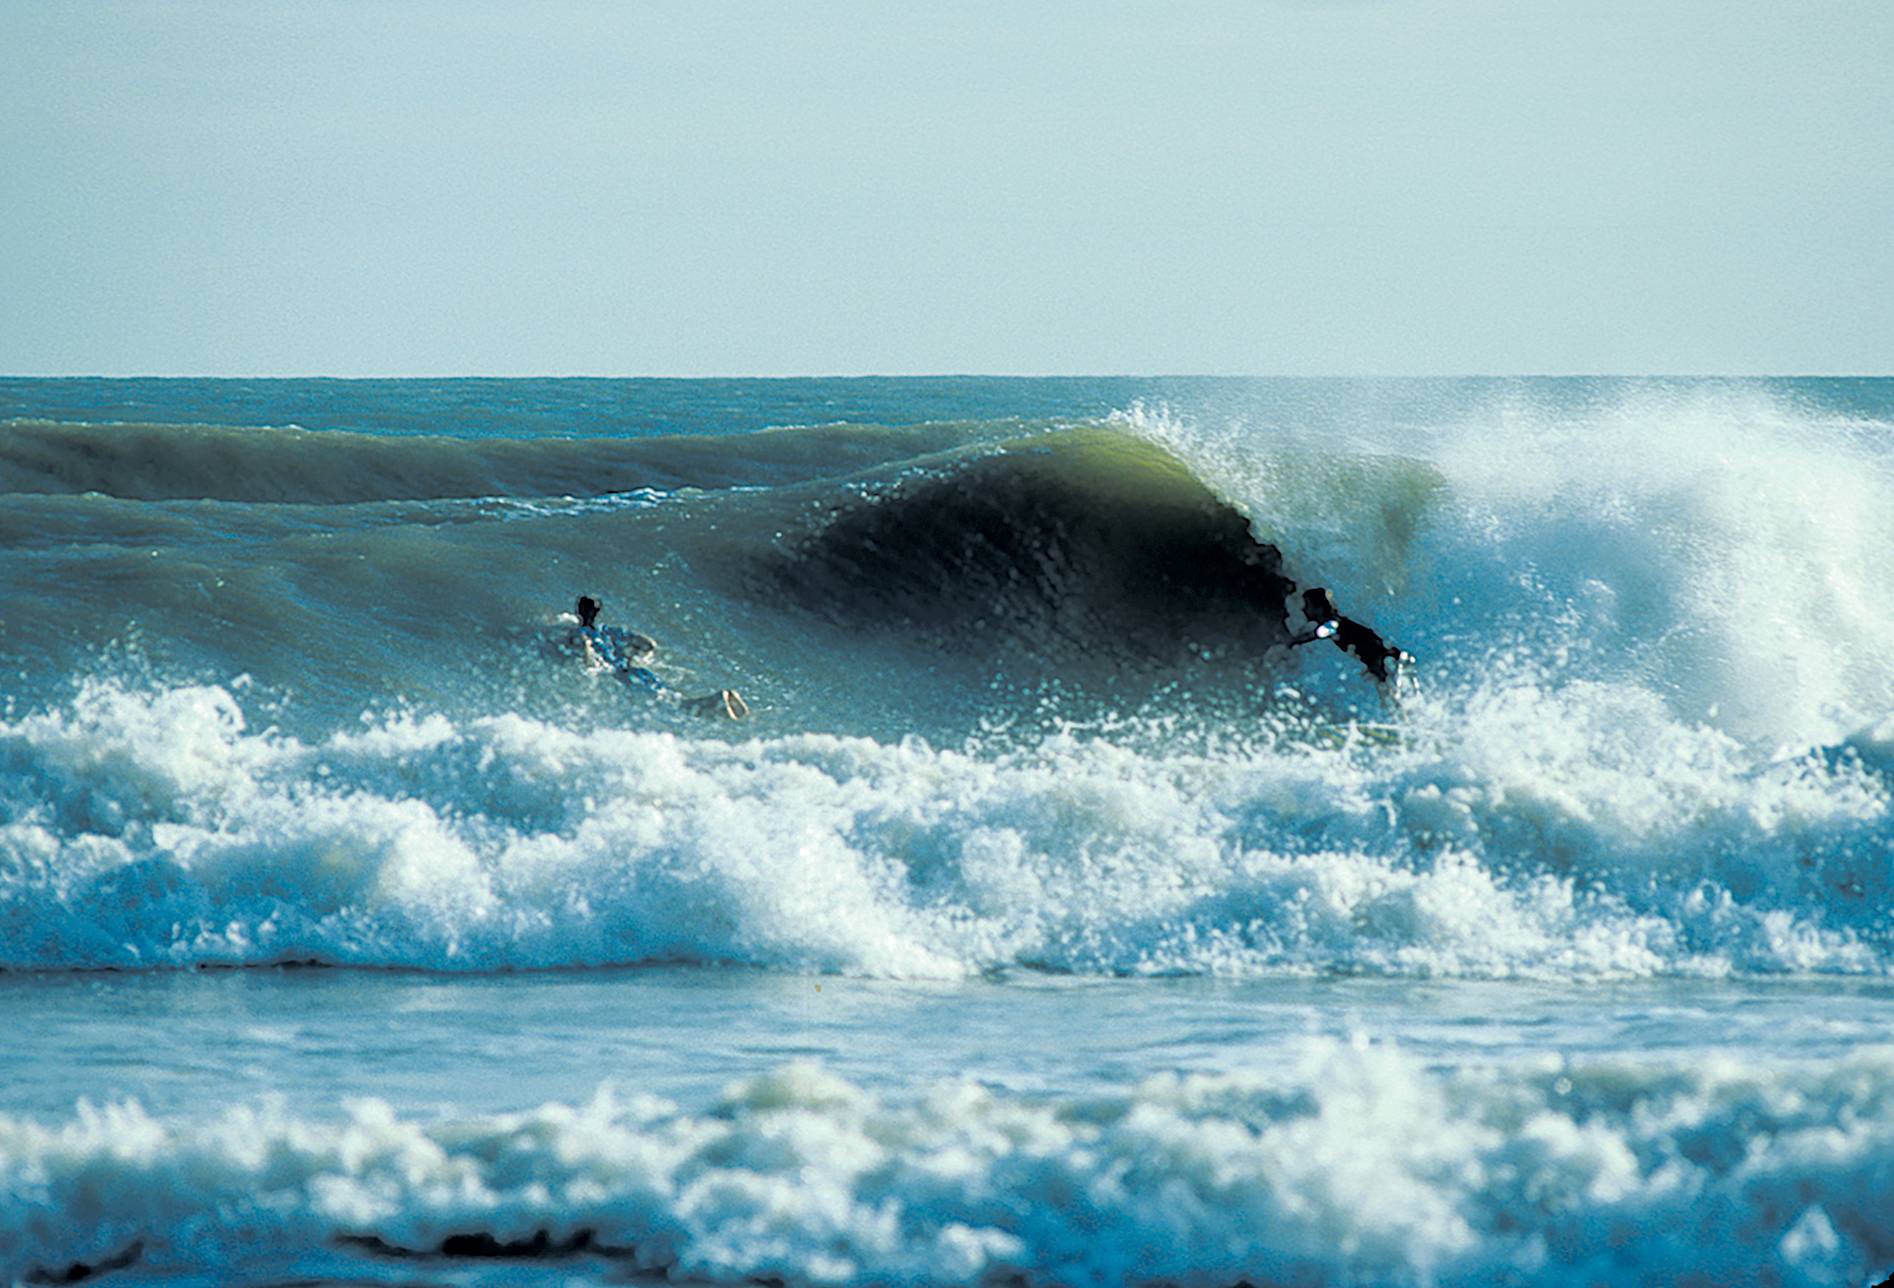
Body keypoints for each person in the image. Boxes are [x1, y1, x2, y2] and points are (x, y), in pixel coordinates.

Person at [565, 594, 749, 720]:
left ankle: (717, 702)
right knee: (676, 700)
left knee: (675, 708)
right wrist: (636, 655)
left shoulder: (580, 633)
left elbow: (585, 654)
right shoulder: (610, 631)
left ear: (579, 610)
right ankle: (721, 701)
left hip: (623, 677)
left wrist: (589, 656)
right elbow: (648, 644)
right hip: (639, 672)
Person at [1287, 587, 1415, 697]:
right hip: (1375, 651)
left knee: (1387, 685)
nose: (1304, 609)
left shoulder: (1332, 623)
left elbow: (1319, 633)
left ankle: (1402, 712)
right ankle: (1400, 711)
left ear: (1319, 608)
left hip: (1376, 652)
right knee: (1385, 685)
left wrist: (1293, 642)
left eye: (1307, 605)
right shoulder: (1336, 621)